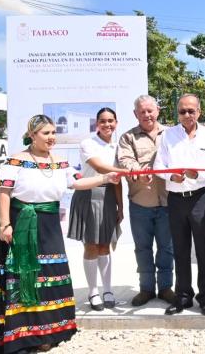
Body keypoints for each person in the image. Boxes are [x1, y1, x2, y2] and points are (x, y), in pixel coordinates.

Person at [0, 115, 119, 353]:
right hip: (22, 224)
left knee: (49, 274)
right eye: (46, 133)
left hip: (49, 224)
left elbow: (77, 183)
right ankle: (23, 334)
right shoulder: (16, 161)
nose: (51, 138)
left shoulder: (60, 162)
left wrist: (105, 178)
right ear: (32, 134)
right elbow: (4, 191)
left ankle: (49, 331)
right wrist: (5, 223)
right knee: (24, 277)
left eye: (53, 133)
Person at [153, 94, 205, 316]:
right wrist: (172, 176)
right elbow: (159, 164)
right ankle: (183, 297)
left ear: (199, 111)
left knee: (204, 250)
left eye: (191, 111)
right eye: (182, 111)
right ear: (177, 113)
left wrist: (196, 174)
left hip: (200, 197)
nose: (187, 115)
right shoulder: (167, 135)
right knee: (180, 250)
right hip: (176, 199)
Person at [116, 95, 175, 307]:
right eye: (142, 112)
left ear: (158, 110)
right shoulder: (127, 137)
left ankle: (166, 287)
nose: (147, 115)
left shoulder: (172, 133)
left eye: (150, 110)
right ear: (135, 114)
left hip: (168, 202)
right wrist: (137, 171)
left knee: (167, 247)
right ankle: (146, 288)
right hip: (141, 202)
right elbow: (125, 160)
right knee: (142, 248)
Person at [67, 107, 124, 311]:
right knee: (91, 245)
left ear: (116, 122)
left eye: (111, 120)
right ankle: (93, 291)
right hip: (88, 194)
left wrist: (120, 207)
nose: (107, 124)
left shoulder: (118, 147)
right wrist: (128, 171)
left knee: (105, 245)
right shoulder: (87, 143)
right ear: (96, 123)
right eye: (103, 121)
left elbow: (117, 181)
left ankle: (107, 290)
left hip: (108, 197)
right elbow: (100, 168)